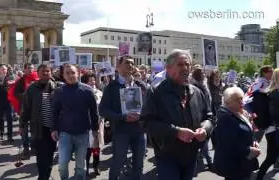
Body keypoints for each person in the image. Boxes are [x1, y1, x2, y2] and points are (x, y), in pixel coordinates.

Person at [141, 49, 213, 180]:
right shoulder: (156, 92)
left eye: (188, 65)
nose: (185, 68)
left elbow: (209, 117)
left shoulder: (197, 92)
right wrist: (176, 132)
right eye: (180, 64)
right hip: (167, 155)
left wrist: (205, 129)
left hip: (191, 154)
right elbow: (146, 123)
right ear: (168, 68)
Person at [99, 56, 147, 180]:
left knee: (139, 164)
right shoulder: (111, 87)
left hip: (139, 130)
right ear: (118, 67)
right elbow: (103, 110)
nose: (130, 65)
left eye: (132, 63)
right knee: (118, 162)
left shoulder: (141, 86)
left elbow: (150, 106)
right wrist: (122, 117)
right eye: (127, 63)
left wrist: (142, 115)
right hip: (121, 131)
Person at [51, 64, 99, 180]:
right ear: (63, 75)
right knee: (62, 164)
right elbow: (55, 112)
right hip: (65, 133)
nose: (70, 75)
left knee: (80, 167)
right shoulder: (59, 92)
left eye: (72, 72)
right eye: (67, 73)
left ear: (78, 73)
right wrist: (54, 129)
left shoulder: (87, 90)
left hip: (82, 133)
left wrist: (95, 129)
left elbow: (94, 112)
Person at [213, 87, 260, 180]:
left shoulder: (239, 113)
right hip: (235, 165)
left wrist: (254, 142)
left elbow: (247, 131)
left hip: (242, 163)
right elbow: (228, 145)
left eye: (241, 98)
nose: (241, 102)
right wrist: (249, 150)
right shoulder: (226, 118)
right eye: (236, 100)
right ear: (227, 103)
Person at [20, 64, 57, 180]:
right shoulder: (31, 89)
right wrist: (22, 124)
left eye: (48, 71)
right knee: (41, 155)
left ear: (51, 73)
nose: (45, 73)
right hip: (38, 128)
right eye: (43, 71)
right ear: (38, 73)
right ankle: (42, 177)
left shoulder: (57, 87)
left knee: (50, 154)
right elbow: (26, 108)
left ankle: (46, 175)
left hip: (53, 129)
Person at [256, 68, 279, 179]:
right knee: (271, 157)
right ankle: (259, 177)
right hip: (274, 130)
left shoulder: (271, 91)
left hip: (273, 129)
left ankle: (259, 176)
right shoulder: (274, 93)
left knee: (272, 157)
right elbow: (274, 113)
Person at [81, 72, 104, 176]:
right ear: (85, 82)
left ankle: (96, 166)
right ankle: (85, 168)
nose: (93, 82)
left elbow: (103, 107)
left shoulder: (99, 92)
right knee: (86, 148)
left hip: (98, 123)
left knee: (96, 147)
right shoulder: (81, 93)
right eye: (90, 80)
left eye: (94, 80)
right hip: (86, 124)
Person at [14, 63, 38, 159]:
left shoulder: (37, 80)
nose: (30, 70)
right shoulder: (21, 81)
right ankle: (26, 149)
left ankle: (34, 148)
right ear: (24, 70)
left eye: (32, 68)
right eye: (28, 68)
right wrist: (26, 96)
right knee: (24, 130)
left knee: (34, 131)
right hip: (23, 109)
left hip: (35, 110)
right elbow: (16, 93)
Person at [0, 64, 14, 142]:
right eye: (2, 69)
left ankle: (10, 136)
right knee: (1, 118)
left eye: (5, 69)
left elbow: (13, 86)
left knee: (10, 118)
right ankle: (1, 133)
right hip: (0, 101)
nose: (4, 70)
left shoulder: (11, 77)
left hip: (9, 101)